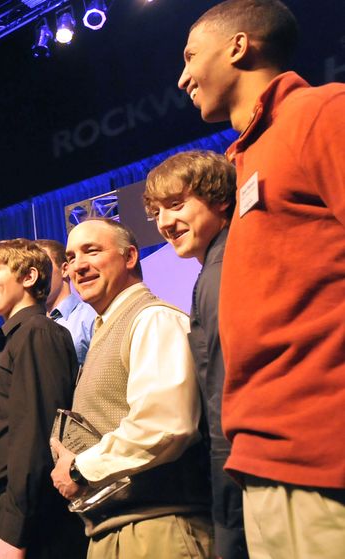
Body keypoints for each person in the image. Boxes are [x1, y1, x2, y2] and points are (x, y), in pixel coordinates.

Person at [178, 1, 345, 556]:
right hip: (265, 464)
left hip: (321, 458)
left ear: (238, 47)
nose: (182, 77)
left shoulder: (322, 112)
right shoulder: (246, 158)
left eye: (190, 56)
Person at [50, 219, 212, 559]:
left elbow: (164, 426)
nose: (77, 265)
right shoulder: (105, 329)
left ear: (130, 257)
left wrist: (79, 468)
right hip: (114, 529)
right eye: (71, 256)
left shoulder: (153, 319)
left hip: (158, 529)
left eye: (91, 251)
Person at [143, 150, 245, 559]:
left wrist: (228, 520)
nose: (165, 223)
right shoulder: (212, 270)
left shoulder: (221, 271)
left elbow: (224, 398)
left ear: (219, 198)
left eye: (177, 204)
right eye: (157, 213)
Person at [0, 238, 80, 559]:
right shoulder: (19, 336)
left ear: (29, 277)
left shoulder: (37, 333)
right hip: (8, 510)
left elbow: (35, 439)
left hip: (28, 523)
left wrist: (15, 533)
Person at [35, 239, 96, 366]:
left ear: (65, 269)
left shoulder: (90, 317)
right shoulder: (31, 325)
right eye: (31, 271)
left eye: (43, 267)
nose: (36, 277)